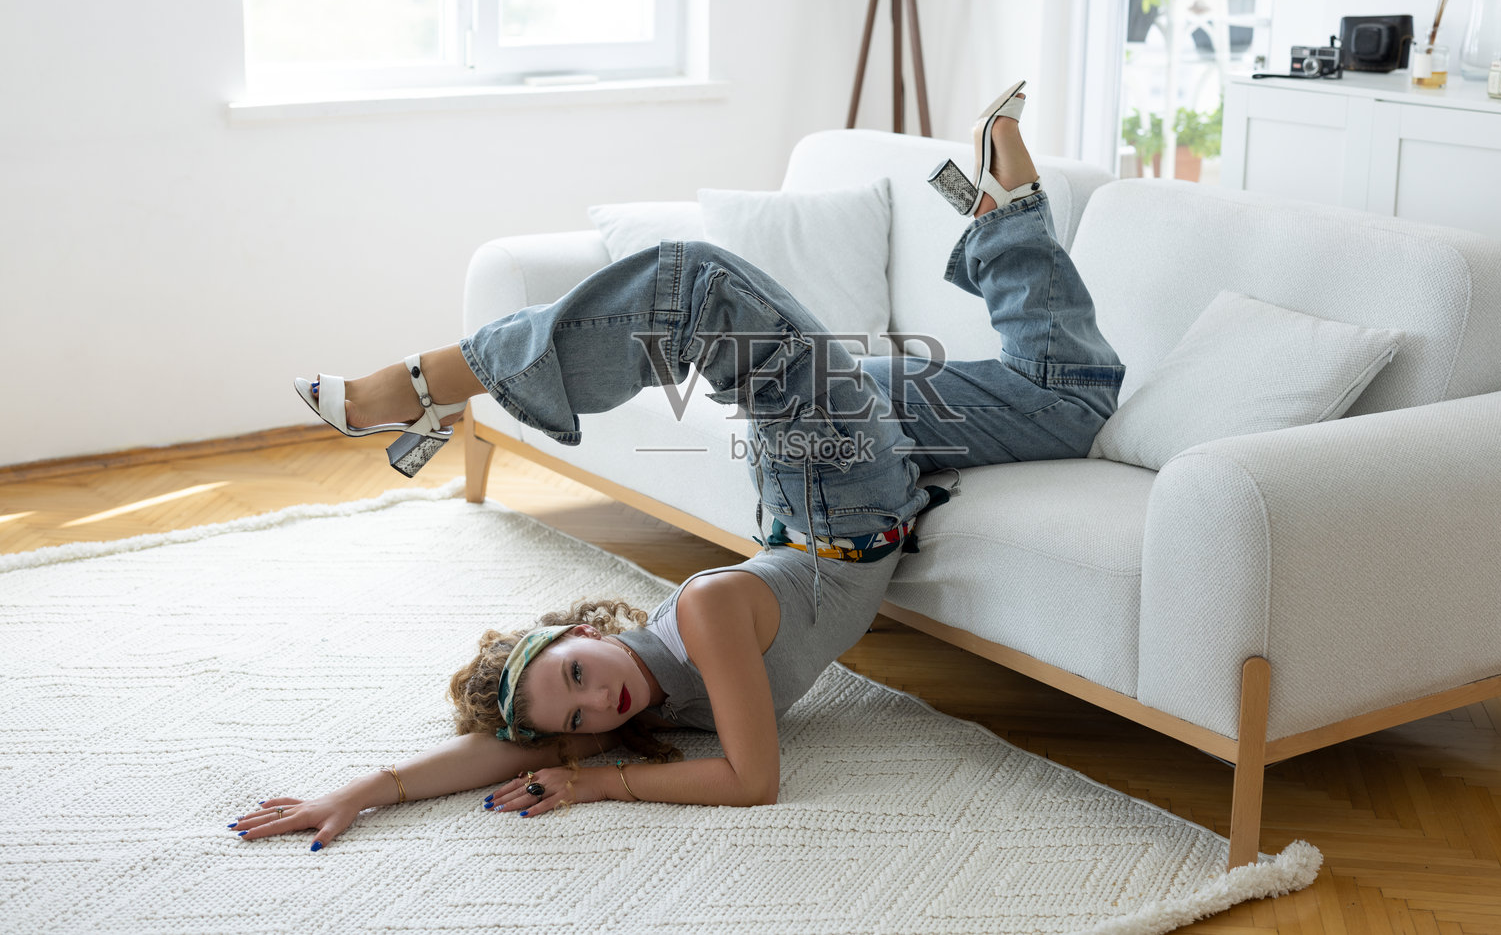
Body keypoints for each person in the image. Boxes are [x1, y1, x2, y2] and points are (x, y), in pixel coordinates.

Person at [231, 81, 1124, 852]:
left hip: (832, 488)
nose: (598, 705)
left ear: (583, 631)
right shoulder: (645, 704)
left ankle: (426, 385)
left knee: (693, 292)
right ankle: (1005, 204)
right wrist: (364, 791)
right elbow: (559, 754)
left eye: (578, 673)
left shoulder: (699, 613)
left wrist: (593, 783)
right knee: (1071, 396)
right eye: (576, 721)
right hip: (846, 494)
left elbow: (745, 777)